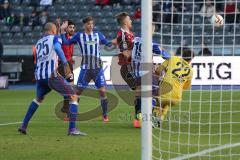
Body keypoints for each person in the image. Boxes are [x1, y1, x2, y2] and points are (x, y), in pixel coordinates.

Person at [18, 22, 86, 136]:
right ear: (53, 30)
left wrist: (61, 31)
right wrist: (65, 64)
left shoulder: (39, 42)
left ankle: (23, 125)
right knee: (74, 97)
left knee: (38, 99)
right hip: (51, 75)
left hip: (40, 76)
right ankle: (72, 129)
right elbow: (58, 49)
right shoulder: (55, 38)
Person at [62, 16, 113, 122]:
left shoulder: (98, 35)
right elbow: (66, 42)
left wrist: (117, 41)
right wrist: (62, 32)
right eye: (89, 24)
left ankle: (105, 115)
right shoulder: (79, 36)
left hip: (98, 69)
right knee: (78, 92)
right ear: (84, 25)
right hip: (85, 69)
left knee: (103, 92)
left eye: (92, 23)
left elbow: (108, 44)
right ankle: (70, 114)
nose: (91, 26)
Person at [130, 24, 171, 128]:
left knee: (139, 95)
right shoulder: (152, 44)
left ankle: (137, 118)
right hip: (146, 73)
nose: (153, 31)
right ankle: (147, 120)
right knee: (153, 95)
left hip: (135, 72)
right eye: (153, 29)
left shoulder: (135, 40)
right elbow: (166, 56)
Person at [152, 48, 194, 127]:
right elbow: (186, 87)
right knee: (167, 102)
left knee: (157, 101)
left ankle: (153, 118)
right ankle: (160, 118)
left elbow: (158, 70)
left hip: (164, 92)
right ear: (191, 59)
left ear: (182, 55)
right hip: (176, 98)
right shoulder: (190, 71)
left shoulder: (173, 58)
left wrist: (159, 77)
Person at [115, 12, 140, 127]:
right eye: (129, 19)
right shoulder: (123, 35)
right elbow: (126, 54)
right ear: (125, 22)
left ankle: (138, 118)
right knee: (140, 90)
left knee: (141, 91)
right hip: (127, 67)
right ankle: (139, 118)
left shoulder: (130, 35)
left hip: (133, 67)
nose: (131, 21)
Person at [58, 20, 76, 117]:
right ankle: (68, 112)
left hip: (69, 64)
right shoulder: (62, 37)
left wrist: (71, 58)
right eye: (70, 27)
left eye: (73, 27)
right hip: (63, 65)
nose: (72, 29)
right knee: (70, 89)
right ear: (66, 28)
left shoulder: (71, 38)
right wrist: (61, 30)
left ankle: (66, 109)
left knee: (69, 88)